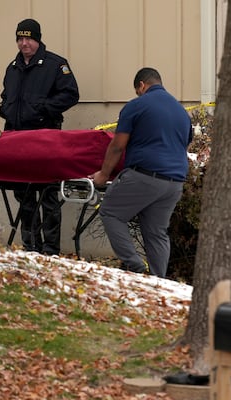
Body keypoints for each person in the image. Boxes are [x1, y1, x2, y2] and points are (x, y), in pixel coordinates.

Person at [90, 67, 192, 278]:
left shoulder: (137, 105)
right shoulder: (181, 112)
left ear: (142, 86)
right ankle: (158, 282)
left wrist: (103, 174)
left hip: (145, 175)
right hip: (175, 182)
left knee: (110, 211)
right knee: (156, 232)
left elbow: (118, 146)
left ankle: (134, 264)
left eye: (138, 90)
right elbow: (185, 145)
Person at [0, 18, 79, 255]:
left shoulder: (55, 64)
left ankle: (50, 249)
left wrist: (43, 109)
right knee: (24, 195)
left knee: (48, 194)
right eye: (20, 39)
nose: (24, 43)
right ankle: (30, 246)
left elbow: (71, 94)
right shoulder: (12, 68)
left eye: (28, 38)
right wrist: (6, 110)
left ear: (37, 39)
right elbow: (6, 96)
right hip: (17, 139)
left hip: (45, 138)